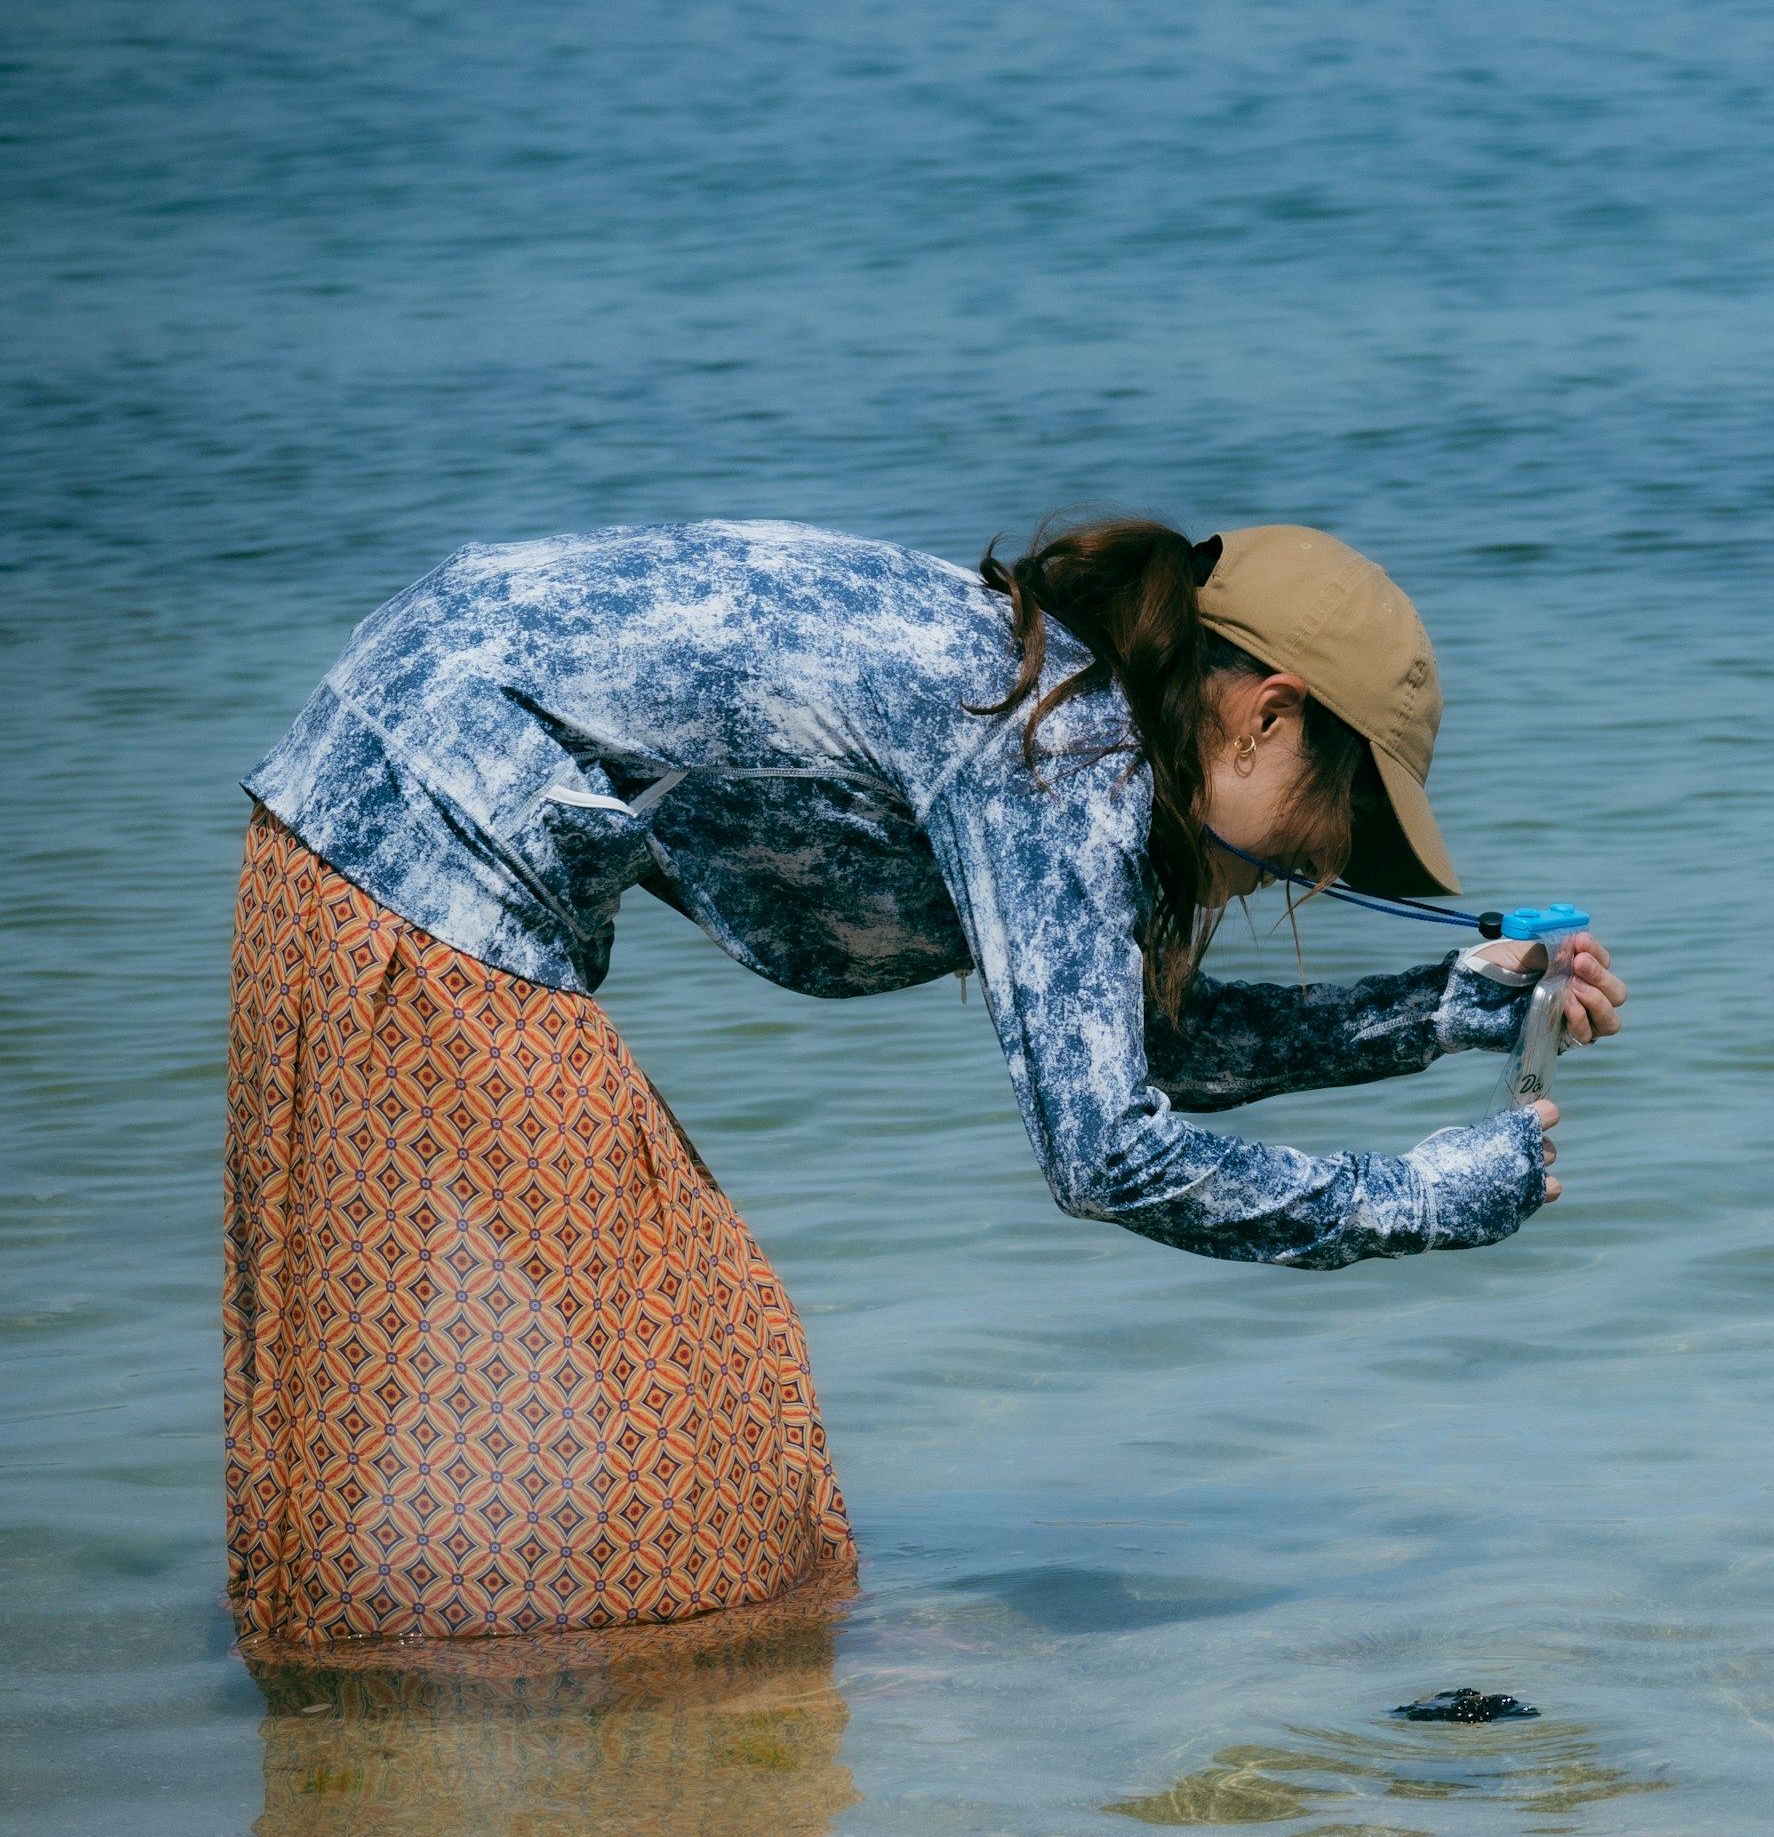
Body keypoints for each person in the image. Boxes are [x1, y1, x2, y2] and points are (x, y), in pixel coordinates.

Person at [225, 514, 1622, 1653]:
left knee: (706, 1378)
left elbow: (1140, 1049)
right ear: (1265, 716)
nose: (1323, 871)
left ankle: (547, 1726)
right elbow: (1108, 1148)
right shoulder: (1065, 748)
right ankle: (604, 1755)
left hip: (395, 797)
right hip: (411, 826)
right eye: (1340, 822)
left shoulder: (1061, 708)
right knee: (703, 1400)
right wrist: (1416, 1201)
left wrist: (1438, 1008)